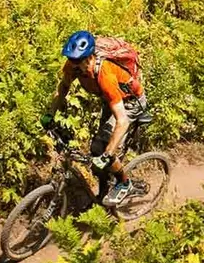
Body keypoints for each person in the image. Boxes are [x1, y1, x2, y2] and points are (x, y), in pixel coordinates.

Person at [40, 31, 149, 207]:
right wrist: (50, 114)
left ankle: (124, 183)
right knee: (95, 150)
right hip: (111, 101)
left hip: (130, 102)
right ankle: (104, 192)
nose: (73, 65)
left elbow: (122, 121)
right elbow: (63, 87)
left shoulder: (104, 74)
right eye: (71, 60)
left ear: (89, 58)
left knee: (104, 149)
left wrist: (108, 153)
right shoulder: (73, 66)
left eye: (77, 61)